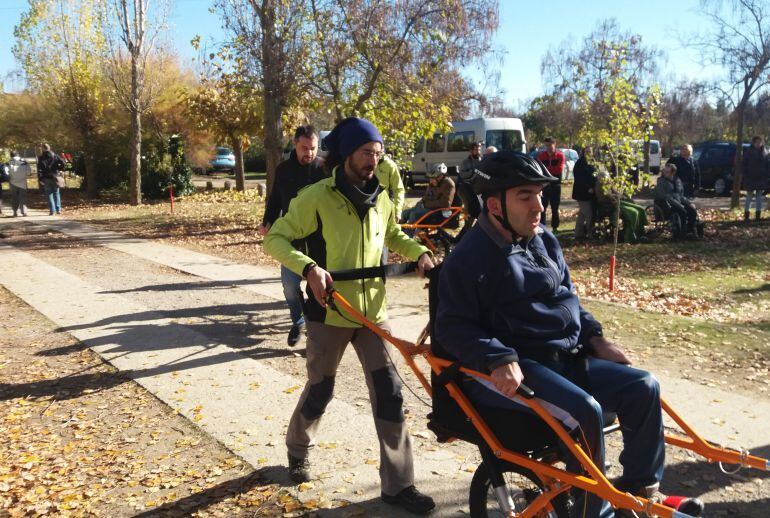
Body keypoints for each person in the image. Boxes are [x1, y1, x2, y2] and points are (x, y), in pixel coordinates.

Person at [434, 150, 704, 518]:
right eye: (526, 196)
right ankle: (597, 512)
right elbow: (451, 327)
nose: (539, 206)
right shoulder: (468, 257)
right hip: (519, 366)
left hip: (565, 357)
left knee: (644, 387)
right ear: (495, 206)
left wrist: (595, 338)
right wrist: (498, 356)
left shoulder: (543, 240)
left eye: (540, 195)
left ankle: (641, 493)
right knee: (586, 413)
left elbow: (568, 299)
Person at [263, 117, 436, 514]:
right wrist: (309, 268)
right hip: (329, 313)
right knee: (321, 390)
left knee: (391, 394)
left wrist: (419, 254)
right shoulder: (316, 196)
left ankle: (398, 484)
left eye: (377, 154)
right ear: (346, 155)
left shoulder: (383, 197)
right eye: (365, 153)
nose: (373, 161)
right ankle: (297, 448)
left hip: (373, 314)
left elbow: (392, 234)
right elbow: (275, 238)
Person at [260, 125, 327, 346]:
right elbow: (275, 200)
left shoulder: (324, 169)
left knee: (317, 287)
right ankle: (298, 320)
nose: (309, 153)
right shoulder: (283, 170)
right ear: (295, 145)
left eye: (313, 148)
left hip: (320, 239)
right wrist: (267, 221)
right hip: (292, 237)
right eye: (304, 148)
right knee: (290, 287)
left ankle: (316, 333)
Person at [596, 170, 649, 243]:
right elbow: (609, 196)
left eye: (607, 177)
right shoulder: (599, 186)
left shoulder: (608, 184)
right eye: (605, 178)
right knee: (633, 213)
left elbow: (615, 192)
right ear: (601, 178)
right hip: (610, 205)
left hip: (617, 202)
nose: (607, 179)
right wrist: (618, 196)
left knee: (639, 209)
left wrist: (620, 195)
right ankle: (630, 237)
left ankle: (640, 232)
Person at [400, 162, 456, 229]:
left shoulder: (449, 184)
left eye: (433, 178)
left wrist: (425, 205)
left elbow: (445, 204)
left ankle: (408, 236)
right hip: (428, 208)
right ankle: (398, 233)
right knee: (405, 213)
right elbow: (427, 196)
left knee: (414, 214)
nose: (431, 181)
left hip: (440, 212)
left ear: (441, 176)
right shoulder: (433, 183)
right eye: (430, 178)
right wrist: (421, 202)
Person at [656, 164, 699, 240]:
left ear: (673, 173)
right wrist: (679, 205)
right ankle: (682, 234)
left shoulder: (677, 181)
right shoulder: (661, 182)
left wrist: (689, 203)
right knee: (682, 211)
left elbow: (681, 196)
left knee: (692, 210)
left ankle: (690, 231)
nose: (665, 173)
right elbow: (666, 197)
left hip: (677, 202)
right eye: (664, 171)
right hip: (666, 205)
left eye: (667, 172)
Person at [536, 137, 566, 231]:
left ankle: (555, 227)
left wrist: (546, 172)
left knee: (555, 208)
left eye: (550, 145)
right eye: (546, 145)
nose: (548, 147)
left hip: (555, 186)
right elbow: (539, 170)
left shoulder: (560, 156)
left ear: (554, 144)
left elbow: (559, 170)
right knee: (542, 208)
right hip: (544, 186)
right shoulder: (541, 156)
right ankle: (542, 227)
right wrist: (548, 172)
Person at [571, 145, 598, 240]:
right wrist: (588, 188)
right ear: (583, 152)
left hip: (591, 193)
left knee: (582, 214)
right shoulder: (580, 163)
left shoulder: (593, 162)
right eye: (586, 152)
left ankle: (578, 234)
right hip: (582, 193)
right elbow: (579, 179)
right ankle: (590, 234)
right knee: (589, 214)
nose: (588, 153)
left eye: (590, 151)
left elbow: (596, 174)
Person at [741, 135, 768, 222]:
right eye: (757, 142)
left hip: (761, 178)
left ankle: (758, 215)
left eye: (760, 142)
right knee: (749, 196)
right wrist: (745, 175)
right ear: (753, 143)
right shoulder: (749, 152)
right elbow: (744, 165)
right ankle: (746, 215)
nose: (758, 144)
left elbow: (767, 165)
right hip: (750, 178)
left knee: (759, 197)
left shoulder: (764, 152)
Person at [37, 143, 66, 215]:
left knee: (49, 194)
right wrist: (59, 169)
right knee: (56, 193)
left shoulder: (41, 157)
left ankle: (52, 210)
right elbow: (63, 163)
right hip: (55, 176)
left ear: (43, 149)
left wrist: (40, 179)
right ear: (49, 148)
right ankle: (58, 209)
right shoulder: (55, 155)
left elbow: (39, 169)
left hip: (46, 178)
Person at [8, 152, 32, 217]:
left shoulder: (8, 162)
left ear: (11, 155)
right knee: (23, 198)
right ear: (18, 155)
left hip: (13, 182)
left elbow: (7, 173)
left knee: (14, 198)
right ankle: (24, 212)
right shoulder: (24, 162)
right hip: (23, 183)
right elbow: (29, 172)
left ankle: (15, 212)